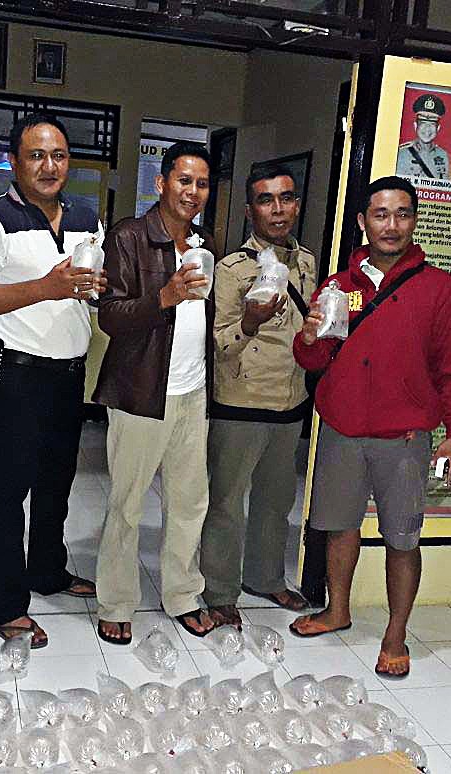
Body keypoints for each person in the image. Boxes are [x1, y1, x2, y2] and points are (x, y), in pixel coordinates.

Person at [289, 176, 451, 678]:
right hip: (343, 428)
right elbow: (311, 357)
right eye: (380, 214)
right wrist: (308, 337)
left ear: (414, 220)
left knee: (402, 537)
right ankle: (337, 609)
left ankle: (396, 634)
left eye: (402, 214)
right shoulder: (337, 286)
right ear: (362, 221)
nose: (391, 225)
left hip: (406, 437)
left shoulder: (438, 288)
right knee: (339, 525)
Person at [0, 114, 105, 649]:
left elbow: (82, 287)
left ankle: (48, 571)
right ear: (15, 161)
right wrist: (45, 287)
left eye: (60, 155)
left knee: (55, 487)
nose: (49, 166)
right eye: (37, 155)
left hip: (68, 375)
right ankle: (4, 604)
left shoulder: (87, 216)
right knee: (6, 494)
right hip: (13, 377)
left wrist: (92, 287)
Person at [93, 141, 218, 643]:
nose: (193, 192)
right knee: (126, 504)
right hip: (142, 392)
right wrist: (163, 296)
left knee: (190, 502)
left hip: (193, 393)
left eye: (202, 184)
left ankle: (183, 593)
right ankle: (118, 600)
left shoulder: (206, 244)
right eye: (184, 180)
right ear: (162, 183)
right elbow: (110, 317)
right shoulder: (129, 237)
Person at [199, 165, 318, 628]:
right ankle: (220, 590)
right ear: (250, 210)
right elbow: (219, 340)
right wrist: (250, 320)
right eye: (267, 200)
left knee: (276, 499)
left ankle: (266, 577)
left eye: (286, 199)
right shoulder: (231, 269)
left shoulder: (306, 264)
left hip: (290, 401)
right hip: (241, 401)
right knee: (227, 503)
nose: (278, 209)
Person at [395, 94, 449, 180]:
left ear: (438, 128)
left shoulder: (442, 155)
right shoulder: (401, 154)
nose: (427, 129)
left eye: (432, 124)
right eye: (423, 124)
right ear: (415, 126)